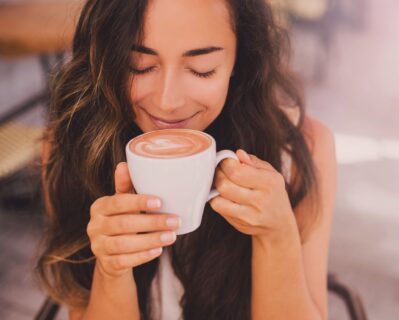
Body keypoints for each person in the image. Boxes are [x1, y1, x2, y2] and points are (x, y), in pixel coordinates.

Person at [34, 0, 336, 319]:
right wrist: (111, 271)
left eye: (201, 69)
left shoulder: (303, 151)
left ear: (239, 58)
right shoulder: (76, 145)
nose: (168, 102)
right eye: (139, 65)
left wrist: (277, 237)